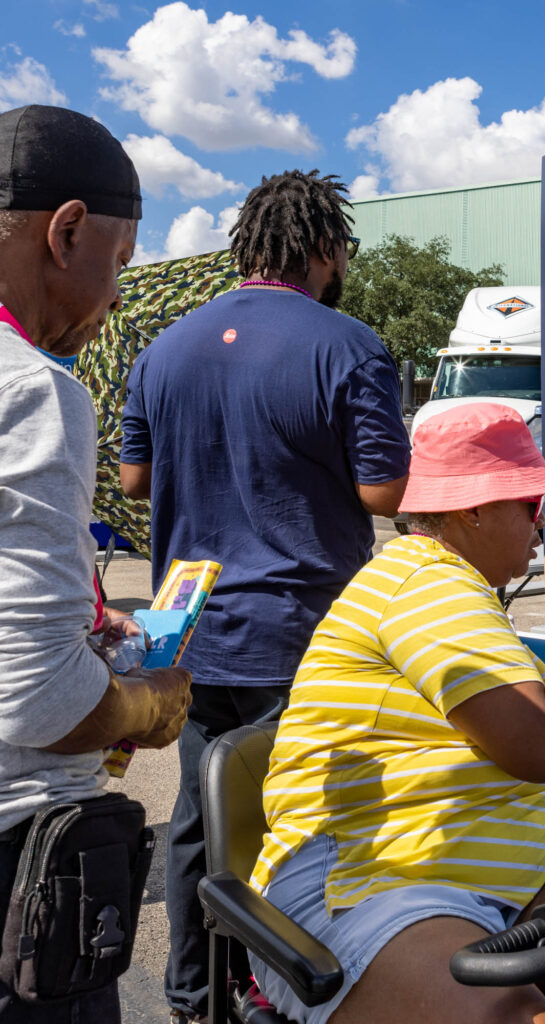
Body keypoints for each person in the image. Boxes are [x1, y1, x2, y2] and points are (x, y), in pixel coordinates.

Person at [248, 403, 545, 1024]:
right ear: (472, 509)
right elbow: (543, 742)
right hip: (373, 884)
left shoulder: (453, 590)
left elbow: (544, 717)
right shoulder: (426, 584)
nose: (541, 521)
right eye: (530, 503)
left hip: (496, 878)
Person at [119, 169, 411, 1023]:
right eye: (342, 250)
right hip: (304, 632)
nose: (343, 265)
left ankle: (193, 994)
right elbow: (384, 493)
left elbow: (134, 479)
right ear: (322, 246)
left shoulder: (163, 348)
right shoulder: (347, 345)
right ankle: (281, 992)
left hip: (188, 630)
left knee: (199, 815)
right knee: (307, 820)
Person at [0, 103, 192, 1024]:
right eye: (118, 262)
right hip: (24, 875)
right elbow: (41, 702)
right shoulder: (35, 389)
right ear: (66, 231)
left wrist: (76, 624)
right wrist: (146, 704)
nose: (117, 296)